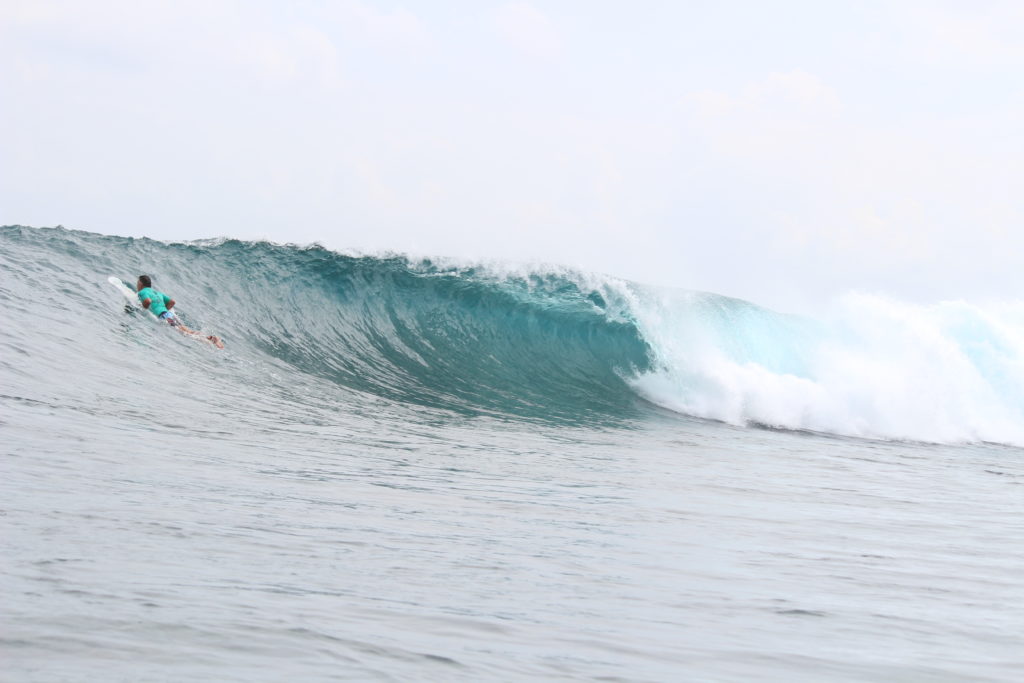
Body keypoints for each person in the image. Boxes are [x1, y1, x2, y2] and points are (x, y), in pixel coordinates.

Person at [136, 275, 223, 348]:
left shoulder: (142, 292)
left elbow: (148, 301)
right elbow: (172, 302)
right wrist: (163, 310)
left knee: (185, 333)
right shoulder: (156, 292)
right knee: (187, 330)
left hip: (163, 316)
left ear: (140, 283)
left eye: (137, 282)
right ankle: (210, 338)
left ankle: (209, 340)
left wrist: (145, 308)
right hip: (168, 314)